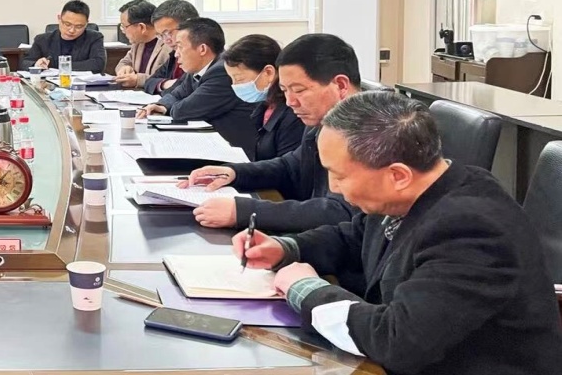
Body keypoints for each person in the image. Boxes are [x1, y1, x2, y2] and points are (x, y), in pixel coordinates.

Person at [237, 92, 562, 375]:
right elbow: (353, 237)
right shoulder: (416, 191)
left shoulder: (472, 229)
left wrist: (306, 289)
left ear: (398, 175)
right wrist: (286, 248)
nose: (333, 187)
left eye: (340, 176)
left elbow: (398, 341)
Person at [181, 33, 359, 233]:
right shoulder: (322, 120)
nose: (290, 102)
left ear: (340, 85)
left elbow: (340, 212)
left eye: (299, 90)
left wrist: (244, 212)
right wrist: (234, 172)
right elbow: (290, 165)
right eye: (285, 90)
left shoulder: (368, 132)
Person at [137, 17, 255, 152]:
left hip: (235, 151)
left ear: (202, 49)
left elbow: (184, 111)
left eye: (180, 47)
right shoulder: (196, 69)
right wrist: (162, 105)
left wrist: (166, 108)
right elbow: (175, 94)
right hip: (210, 143)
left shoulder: (223, 71)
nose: (176, 54)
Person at [221, 34, 305, 162]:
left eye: (239, 79)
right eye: (232, 79)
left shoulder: (293, 111)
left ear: (268, 72)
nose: (235, 85)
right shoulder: (265, 106)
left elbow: (286, 167)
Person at [22, 0, 106, 72]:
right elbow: (25, 63)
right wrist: (36, 64)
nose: (72, 30)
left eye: (79, 26)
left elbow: (98, 64)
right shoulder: (42, 40)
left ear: (87, 23)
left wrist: (60, 65)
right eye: (67, 24)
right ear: (59, 18)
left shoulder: (94, 38)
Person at [143, 0, 199, 94]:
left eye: (168, 33)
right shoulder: (174, 55)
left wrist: (174, 85)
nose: (166, 40)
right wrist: (165, 83)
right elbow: (149, 82)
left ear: (189, 25)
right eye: (161, 35)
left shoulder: (201, 55)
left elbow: (184, 88)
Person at [113, 0, 170, 88]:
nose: (123, 31)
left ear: (141, 27)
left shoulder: (169, 45)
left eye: (124, 26)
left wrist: (138, 80)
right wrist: (124, 68)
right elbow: (124, 62)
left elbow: (169, 80)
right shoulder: (138, 42)